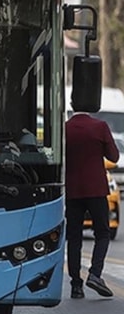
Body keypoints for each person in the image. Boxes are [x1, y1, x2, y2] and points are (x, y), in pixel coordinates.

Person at [66, 103, 120, 299]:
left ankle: (75, 285)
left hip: (72, 191)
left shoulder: (64, 129)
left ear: (72, 106)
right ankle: (95, 274)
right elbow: (113, 156)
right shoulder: (100, 127)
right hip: (96, 190)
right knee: (103, 233)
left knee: (74, 238)